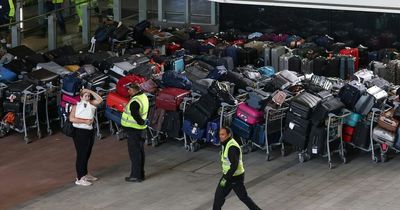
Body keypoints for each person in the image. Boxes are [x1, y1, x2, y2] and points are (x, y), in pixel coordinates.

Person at [213, 127, 262, 210]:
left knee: (243, 197)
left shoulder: (232, 147)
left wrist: (225, 178)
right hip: (228, 177)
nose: (220, 136)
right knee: (218, 198)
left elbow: (234, 165)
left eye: (223, 134)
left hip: (236, 178)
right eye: (220, 134)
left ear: (228, 135)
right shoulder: (225, 144)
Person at [69, 89, 103, 186]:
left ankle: (85, 173)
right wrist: (85, 122)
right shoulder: (76, 106)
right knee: (81, 155)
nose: (87, 97)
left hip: (89, 131)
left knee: (87, 153)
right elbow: (71, 119)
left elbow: (100, 100)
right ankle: (80, 178)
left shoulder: (91, 104)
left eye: (88, 96)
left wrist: (89, 91)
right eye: (85, 96)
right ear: (81, 97)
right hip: (80, 132)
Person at [121, 83, 149, 183]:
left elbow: (136, 115)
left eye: (129, 90)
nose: (128, 91)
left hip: (134, 130)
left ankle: (135, 176)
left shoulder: (135, 101)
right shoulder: (143, 97)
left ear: (134, 90)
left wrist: (141, 122)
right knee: (140, 152)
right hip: (141, 130)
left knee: (135, 154)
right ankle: (141, 174)